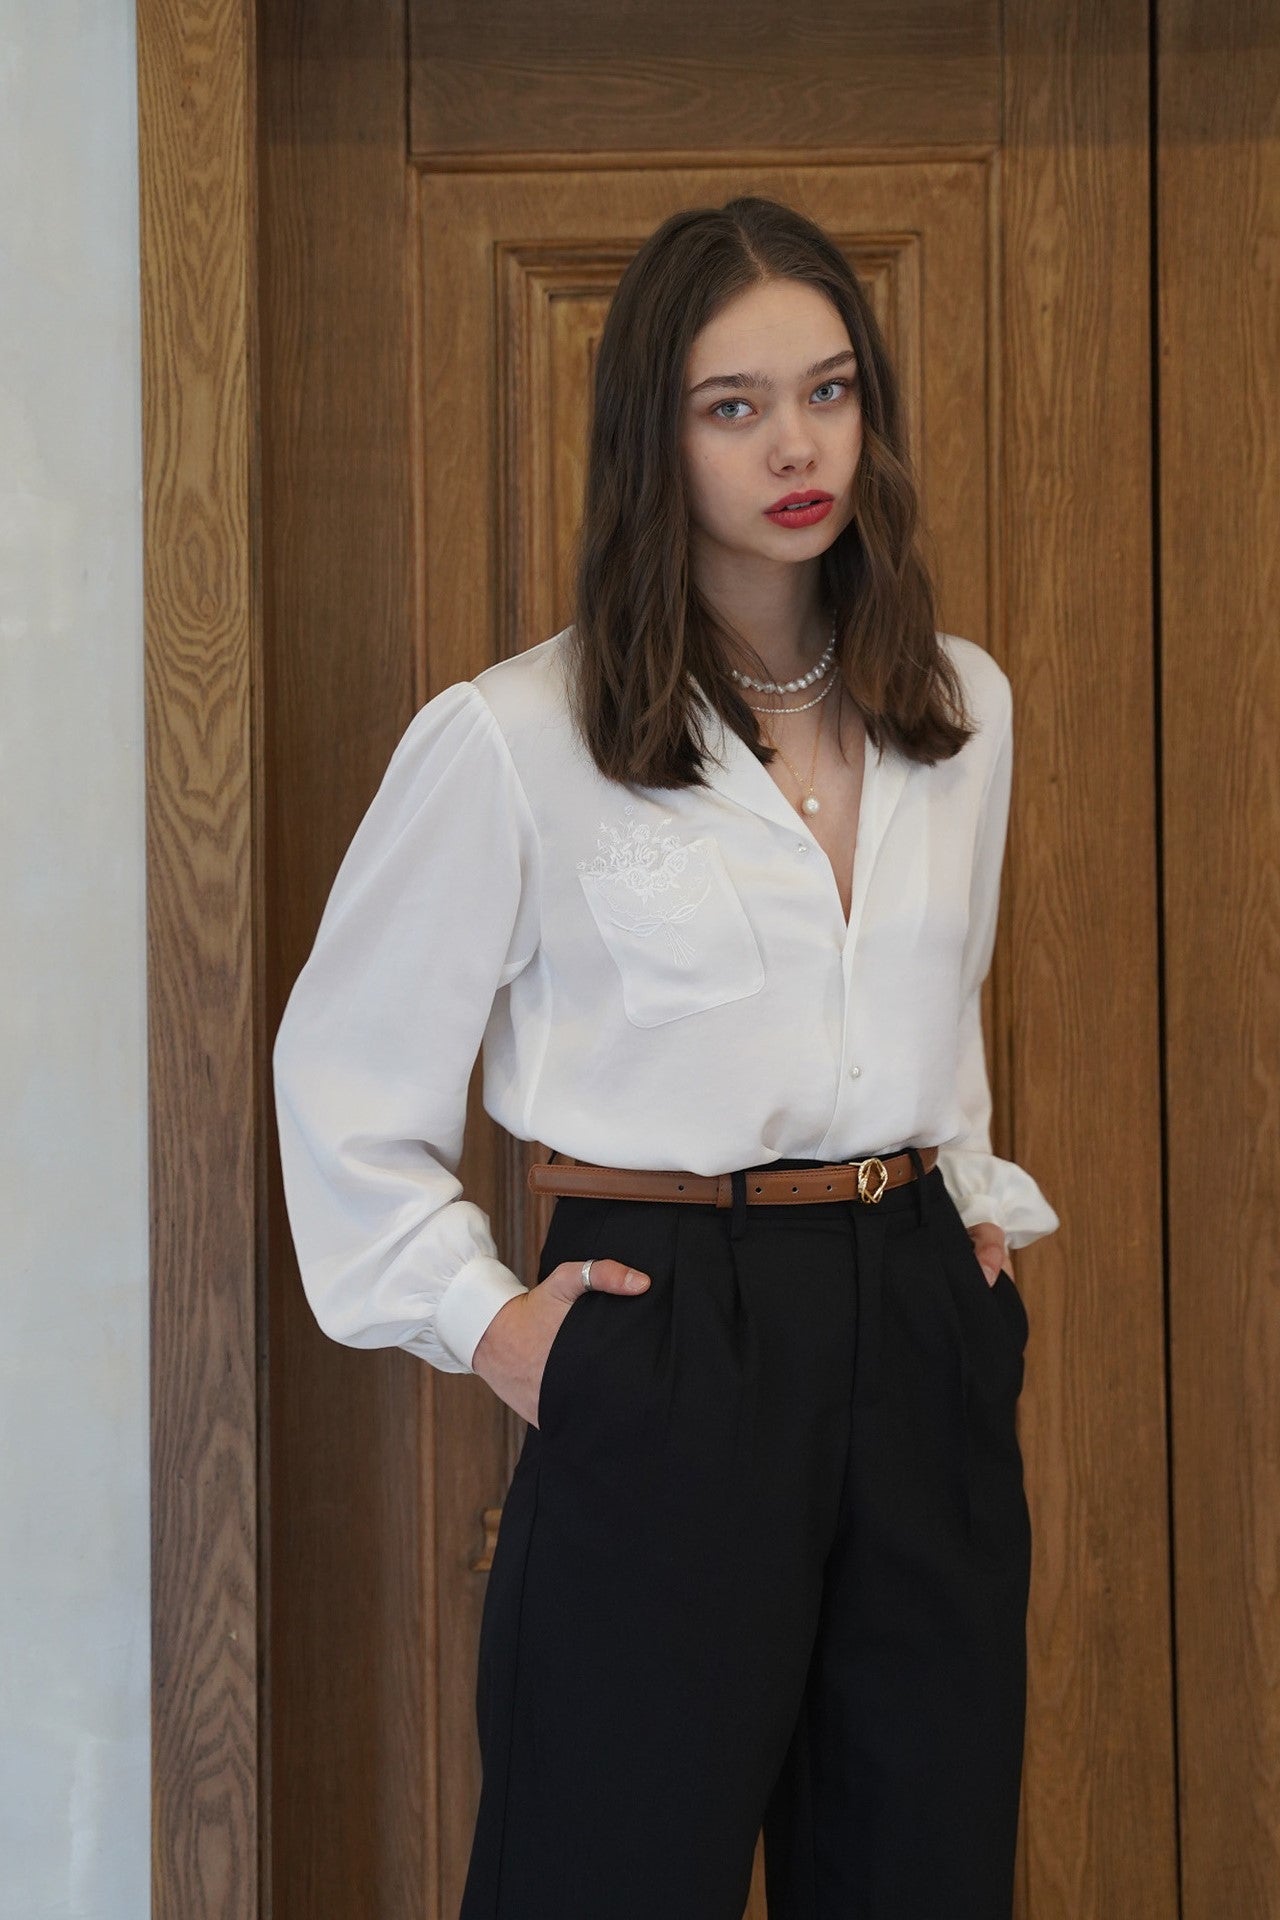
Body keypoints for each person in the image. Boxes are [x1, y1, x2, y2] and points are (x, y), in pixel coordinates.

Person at [272, 194, 1061, 1920]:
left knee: (925, 1876)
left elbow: (939, 1008)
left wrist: (974, 1214)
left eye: (829, 391)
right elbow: (342, 1080)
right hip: (670, 1322)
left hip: (919, 1325)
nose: (796, 445)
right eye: (734, 405)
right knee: (606, 1873)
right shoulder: (516, 741)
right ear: (657, 434)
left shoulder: (965, 710)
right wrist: (494, 1328)